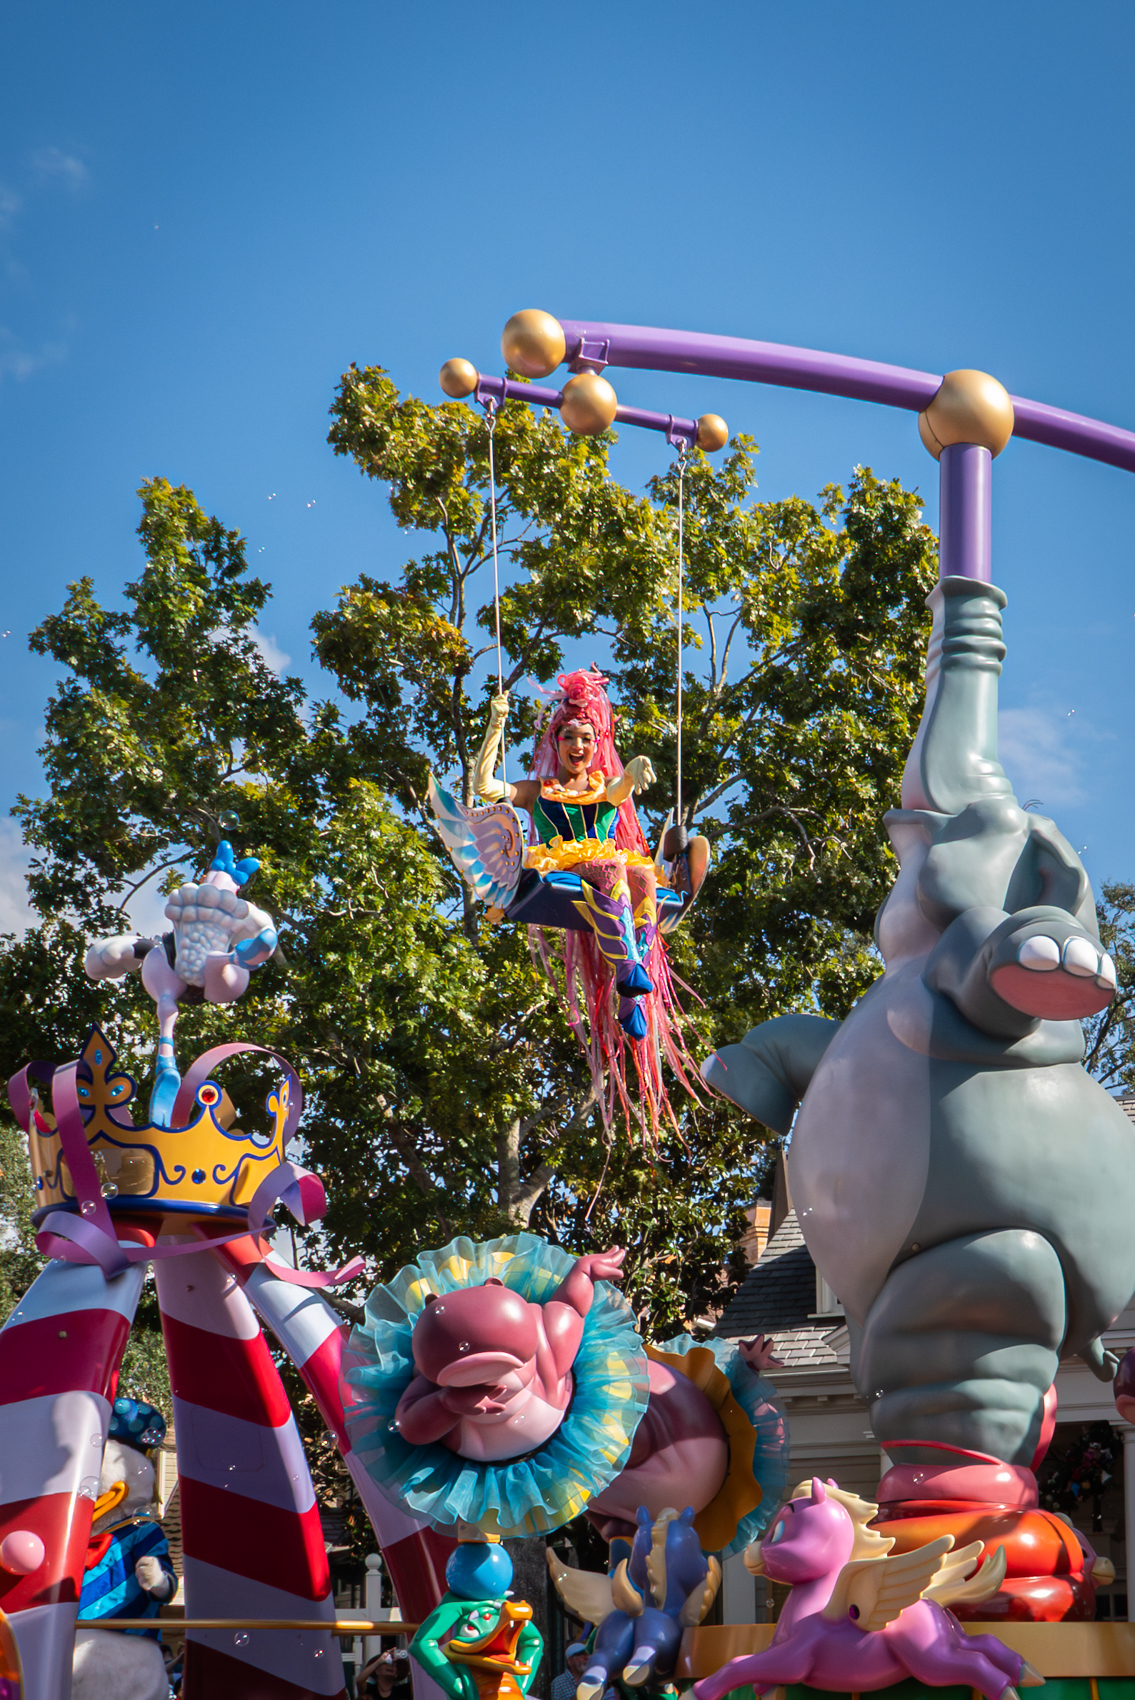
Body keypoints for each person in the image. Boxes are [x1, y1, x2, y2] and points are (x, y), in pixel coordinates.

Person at [473, 670, 658, 1039]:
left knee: (644, 876)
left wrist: (632, 772)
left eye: (586, 738)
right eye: (569, 737)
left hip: (603, 863)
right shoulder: (537, 790)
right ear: (555, 742)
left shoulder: (603, 785)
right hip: (560, 866)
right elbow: (484, 786)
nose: (578, 746)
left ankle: (632, 988)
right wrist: (496, 724)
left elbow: (620, 790)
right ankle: (628, 970)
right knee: (609, 869)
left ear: (597, 743)